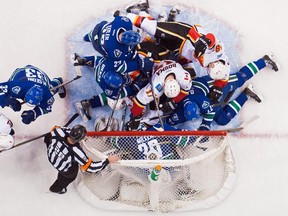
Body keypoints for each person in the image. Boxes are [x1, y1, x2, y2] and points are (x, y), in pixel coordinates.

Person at [166, 54, 279, 129]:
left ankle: (264, 61)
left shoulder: (201, 101)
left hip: (209, 86)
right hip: (208, 100)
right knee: (222, 119)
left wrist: (205, 127)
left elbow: (209, 112)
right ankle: (246, 94)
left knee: (240, 79)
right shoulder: (179, 114)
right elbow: (167, 123)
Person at [73, 53, 153, 120]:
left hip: (115, 72)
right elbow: (130, 90)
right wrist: (138, 85)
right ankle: (88, 103)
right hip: (115, 86)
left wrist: (84, 60)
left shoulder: (109, 64)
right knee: (117, 103)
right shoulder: (109, 90)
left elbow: (95, 59)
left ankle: (87, 103)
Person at [44, 124, 120, 194]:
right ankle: (56, 188)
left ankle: (45, 140)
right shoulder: (76, 152)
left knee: (48, 137)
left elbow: (57, 129)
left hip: (50, 155)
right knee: (71, 176)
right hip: (61, 167)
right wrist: (107, 161)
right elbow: (91, 167)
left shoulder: (58, 131)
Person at [126, 59, 192, 130]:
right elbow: (140, 100)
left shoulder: (184, 77)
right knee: (154, 106)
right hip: (156, 68)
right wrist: (135, 117)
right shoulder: (156, 85)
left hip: (171, 63)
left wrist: (173, 101)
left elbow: (185, 90)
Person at [0, 65, 66, 124]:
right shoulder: (17, 86)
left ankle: (58, 81)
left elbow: (47, 108)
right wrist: (8, 101)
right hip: (21, 74)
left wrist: (34, 113)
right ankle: (10, 98)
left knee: (51, 89)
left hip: (41, 77)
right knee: (9, 92)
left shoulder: (46, 94)